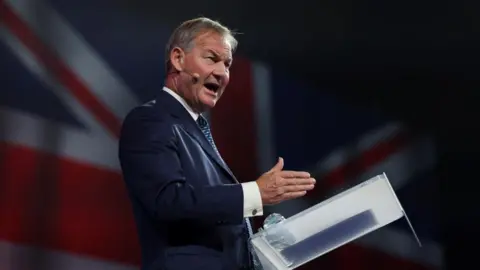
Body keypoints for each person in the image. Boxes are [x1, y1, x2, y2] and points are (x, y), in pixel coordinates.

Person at [118, 17, 316, 270]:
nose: (222, 72)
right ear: (178, 59)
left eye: (228, 64)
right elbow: (168, 200)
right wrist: (255, 192)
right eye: (211, 58)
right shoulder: (150, 119)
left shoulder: (195, 128)